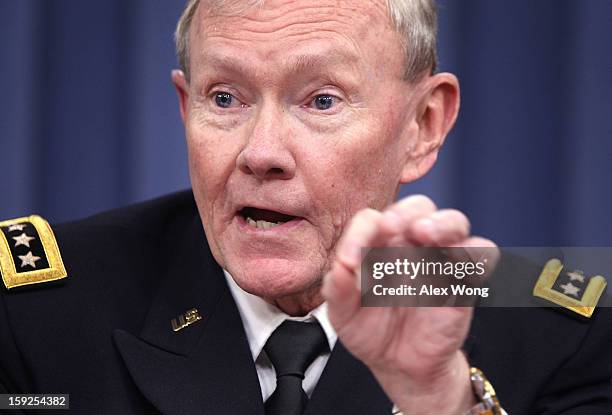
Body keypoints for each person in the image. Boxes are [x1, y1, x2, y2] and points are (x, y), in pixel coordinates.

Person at [0, 0, 610, 414]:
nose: (261, 152)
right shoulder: (33, 315)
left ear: (423, 125)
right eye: (225, 97)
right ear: (186, 110)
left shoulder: (565, 338)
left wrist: (440, 399)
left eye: (321, 100)